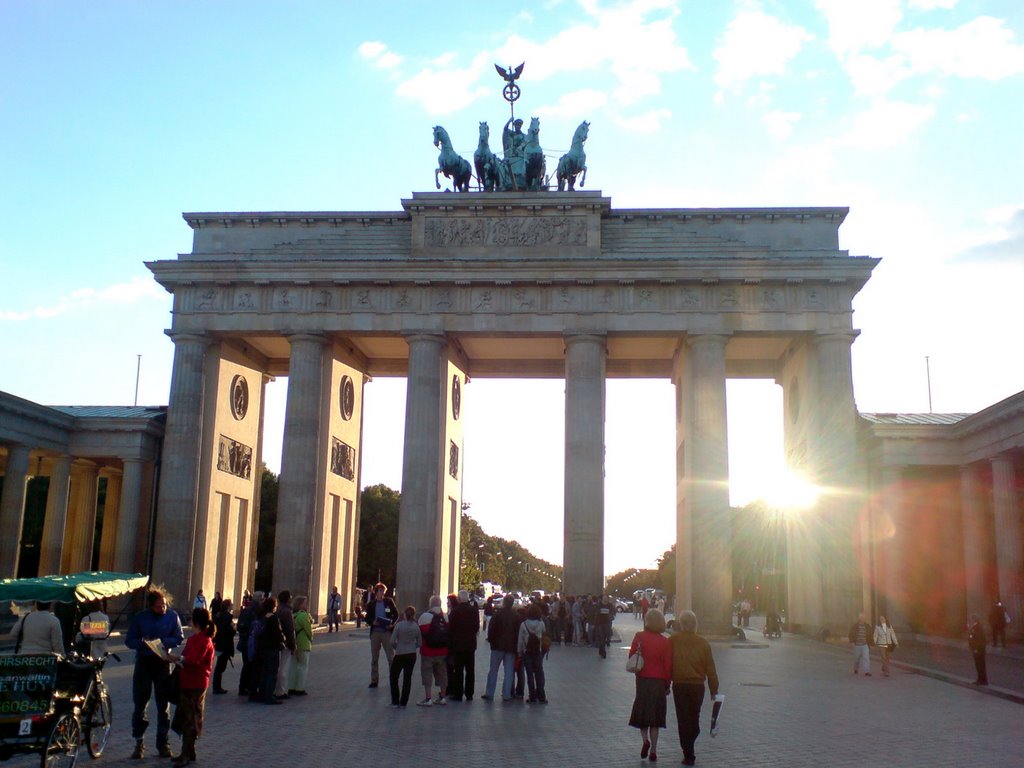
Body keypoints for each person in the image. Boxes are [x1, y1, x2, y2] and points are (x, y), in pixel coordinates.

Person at [125, 586, 184, 759]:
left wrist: (162, 642)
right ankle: (138, 742)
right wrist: (144, 643)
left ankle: (163, 743)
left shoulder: (172, 617)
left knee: (163, 705)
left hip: (163, 663)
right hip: (144, 663)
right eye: (159, 606)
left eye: (164, 605)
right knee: (140, 704)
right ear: (151, 606)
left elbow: (179, 636)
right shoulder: (140, 618)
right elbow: (130, 640)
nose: (163, 608)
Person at [670, 610, 719, 767]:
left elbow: (666, 663)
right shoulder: (703, 643)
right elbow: (710, 668)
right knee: (694, 716)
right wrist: (714, 689)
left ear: (681, 624)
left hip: (680, 685)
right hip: (697, 687)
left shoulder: (673, 641)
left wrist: (664, 684)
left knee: (683, 719)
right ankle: (690, 744)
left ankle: (688, 752)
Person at [168, 608, 215, 766]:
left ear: (195, 622)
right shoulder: (199, 638)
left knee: (190, 718)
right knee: (188, 716)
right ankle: (190, 751)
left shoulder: (202, 640)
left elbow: (193, 660)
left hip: (195, 682)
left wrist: (178, 658)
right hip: (190, 681)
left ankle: (186, 754)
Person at [629, 608, 673, 762]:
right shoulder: (665, 642)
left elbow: (632, 655)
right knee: (656, 717)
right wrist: (667, 684)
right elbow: (668, 666)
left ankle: (644, 740)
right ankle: (654, 749)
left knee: (643, 713)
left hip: (642, 680)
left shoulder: (639, 637)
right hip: (659, 682)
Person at [483, 594, 518, 701]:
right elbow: (517, 633)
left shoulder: (497, 614)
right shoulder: (516, 616)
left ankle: (490, 693)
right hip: (511, 647)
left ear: (504, 602)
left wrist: (491, 641)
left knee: (493, 670)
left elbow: (491, 629)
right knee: (509, 672)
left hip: (497, 646)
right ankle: (506, 694)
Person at [447, 589, 480, 701]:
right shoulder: (474, 611)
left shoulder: (455, 611)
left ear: (459, 599)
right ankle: (469, 694)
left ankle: (458, 693)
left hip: (458, 645)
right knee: (470, 670)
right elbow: (476, 627)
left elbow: (450, 628)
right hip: (470, 645)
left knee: (458, 670)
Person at [365, 582, 398, 688]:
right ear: (376, 592)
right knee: (374, 658)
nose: (382, 593)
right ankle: (374, 680)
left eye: (383, 591)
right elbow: (367, 617)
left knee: (391, 657)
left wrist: (392, 624)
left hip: (386, 632)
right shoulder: (371, 604)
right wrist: (372, 622)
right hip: (375, 632)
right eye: (380, 591)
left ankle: (393, 679)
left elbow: (396, 614)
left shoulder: (389, 602)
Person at [417, 595, 449, 706]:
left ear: (430, 604)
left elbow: (419, 633)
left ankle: (428, 698)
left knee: (427, 674)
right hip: (442, 651)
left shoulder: (425, 616)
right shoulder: (445, 616)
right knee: (442, 674)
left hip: (428, 651)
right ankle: (443, 697)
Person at [255, 596, 285, 704]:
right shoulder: (273, 618)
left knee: (264, 672)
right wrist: (283, 638)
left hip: (263, 648)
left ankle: (262, 694)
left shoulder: (262, 617)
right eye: (275, 606)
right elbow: (278, 634)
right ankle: (269, 696)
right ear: (273, 607)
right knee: (272, 673)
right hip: (273, 648)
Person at [390, 606, 421, 708]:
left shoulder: (399, 625)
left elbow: (392, 641)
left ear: (404, 615)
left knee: (394, 676)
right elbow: (420, 642)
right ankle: (404, 702)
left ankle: (395, 700)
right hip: (411, 654)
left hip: (400, 653)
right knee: (407, 678)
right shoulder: (416, 626)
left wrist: (397, 647)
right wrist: (413, 646)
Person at [517, 604, 548, 704]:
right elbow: (544, 635)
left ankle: (532, 697)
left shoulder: (523, 624)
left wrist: (519, 652)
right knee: (539, 673)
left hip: (527, 652)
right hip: (538, 652)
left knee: (530, 675)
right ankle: (542, 696)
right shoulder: (541, 624)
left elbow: (520, 640)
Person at [236, 591, 262, 697]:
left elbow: (238, 626)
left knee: (246, 665)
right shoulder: (258, 610)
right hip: (253, 642)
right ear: (260, 599)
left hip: (244, 641)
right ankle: (251, 688)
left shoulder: (246, 609)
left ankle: (242, 688)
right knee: (253, 666)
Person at [274, 590, 295, 699]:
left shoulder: (278, 609)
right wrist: (292, 645)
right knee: (284, 667)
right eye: (290, 597)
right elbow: (290, 630)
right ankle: (281, 691)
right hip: (285, 643)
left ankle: (276, 689)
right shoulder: (287, 612)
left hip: (277, 642)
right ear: (287, 599)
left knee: (278, 667)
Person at [289, 596, 312, 696]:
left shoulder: (293, 615)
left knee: (294, 666)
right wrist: (311, 638)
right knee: (303, 666)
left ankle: (291, 687)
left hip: (295, 642)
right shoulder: (303, 616)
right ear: (300, 605)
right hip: (303, 643)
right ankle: (300, 688)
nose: (306, 605)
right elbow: (308, 630)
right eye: (305, 603)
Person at [211, 598, 235, 694]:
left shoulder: (218, 616)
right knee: (221, 666)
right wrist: (233, 629)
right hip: (225, 644)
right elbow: (228, 631)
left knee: (220, 666)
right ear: (228, 607)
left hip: (219, 643)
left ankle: (216, 686)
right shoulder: (227, 617)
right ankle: (217, 687)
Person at [848, 612, 872, 676]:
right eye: (861, 617)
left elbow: (870, 635)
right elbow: (851, 634)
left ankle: (866, 671)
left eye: (864, 617)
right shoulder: (855, 626)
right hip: (857, 645)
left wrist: (871, 644)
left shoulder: (867, 626)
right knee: (856, 658)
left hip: (865, 644)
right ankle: (856, 668)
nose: (863, 619)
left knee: (866, 658)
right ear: (859, 618)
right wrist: (852, 642)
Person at [968, 614, 988, 685]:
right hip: (978, 649)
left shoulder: (977, 627)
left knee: (980, 665)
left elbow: (979, 639)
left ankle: (982, 680)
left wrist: (976, 648)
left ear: (974, 620)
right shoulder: (976, 627)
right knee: (979, 665)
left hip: (978, 650)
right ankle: (981, 679)